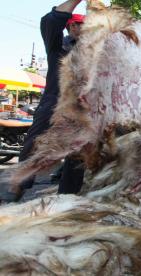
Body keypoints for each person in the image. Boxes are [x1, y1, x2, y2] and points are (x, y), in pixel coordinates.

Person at [0, 0, 85, 202]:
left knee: (78, 154)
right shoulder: (58, 46)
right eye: (84, 26)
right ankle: (18, 185)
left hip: (81, 110)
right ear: (72, 26)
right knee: (33, 144)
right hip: (54, 104)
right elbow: (49, 21)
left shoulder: (95, 52)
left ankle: (67, 198)